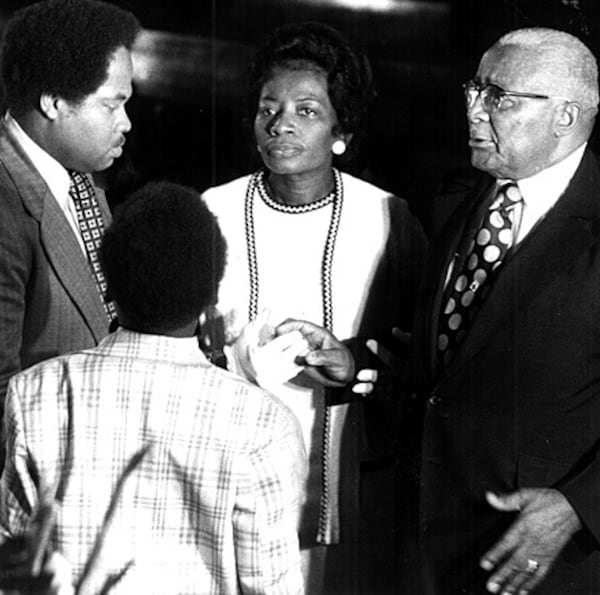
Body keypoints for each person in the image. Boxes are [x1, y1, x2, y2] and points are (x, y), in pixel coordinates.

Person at [299, 26, 600, 594]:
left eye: (498, 98)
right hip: (430, 555)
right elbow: (458, 362)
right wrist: (356, 360)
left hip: (542, 567)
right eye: (473, 90)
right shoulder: (460, 200)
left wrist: (577, 506)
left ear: (565, 115)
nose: (473, 111)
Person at [201, 20, 427, 594]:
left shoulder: (386, 218)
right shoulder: (212, 210)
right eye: (268, 108)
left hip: (344, 481)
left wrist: (351, 365)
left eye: (306, 110)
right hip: (223, 475)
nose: (281, 124)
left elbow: (423, 357)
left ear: (340, 129)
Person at [0, 181, 306, 595]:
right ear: (212, 295)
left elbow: (15, 569)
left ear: (107, 286)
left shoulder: (33, 393)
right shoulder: (264, 423)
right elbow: (272, 587)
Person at [0, 0, 140, 415]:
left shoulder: (82, 178)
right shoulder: (6, 209)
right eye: (112, 105)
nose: (126, 122)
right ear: (53, 102)